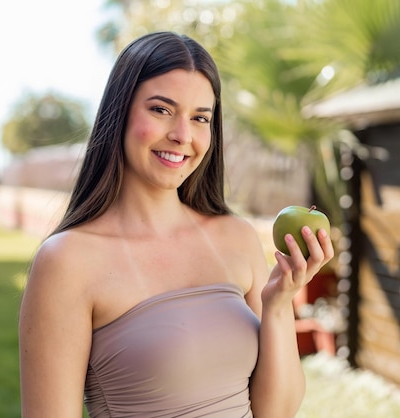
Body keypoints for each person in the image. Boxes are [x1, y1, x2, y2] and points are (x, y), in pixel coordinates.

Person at [18, 31, 334, 418]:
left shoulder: (235, 238)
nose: (182, 135)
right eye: (161, 110)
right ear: (120, 113)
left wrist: (279, 304)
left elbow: (277, 412)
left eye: (199, 118)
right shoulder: (67, 261)